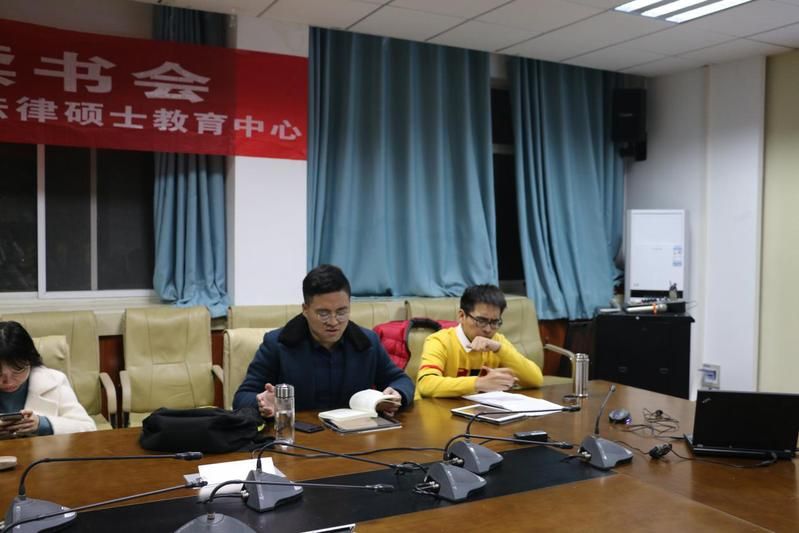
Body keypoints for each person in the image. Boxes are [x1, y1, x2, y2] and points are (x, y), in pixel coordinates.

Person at [233, 264, 414, 417]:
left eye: (342, 312)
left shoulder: (367, 342)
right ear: (305, 309)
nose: (334, 322)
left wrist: (397, 393)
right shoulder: (277, 344)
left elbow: (400, 380)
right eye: (323, 313)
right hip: (299, 437)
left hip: (354, 437)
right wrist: (262, 402)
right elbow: (242, 397)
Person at [415, 284, 543, 398]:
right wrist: (479, 383)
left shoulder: (497, 341)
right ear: (461, 316)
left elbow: (536, 380)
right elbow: (426, 384)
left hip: (478, 409)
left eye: (495, 322)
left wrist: (500, 349)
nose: (488, 329)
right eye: (481, 321)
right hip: (437, 410)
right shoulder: (439, 341)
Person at [0, 321, 96, 436]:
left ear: (30, 360)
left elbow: (88, 427)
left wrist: (43, 424)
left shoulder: (54, 381)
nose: (8, 381)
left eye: (18, 370)